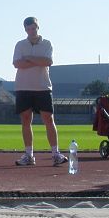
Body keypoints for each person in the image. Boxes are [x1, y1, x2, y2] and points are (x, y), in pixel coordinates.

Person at [12, 16, 68, 167]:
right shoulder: (20, 45)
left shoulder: (46, 44)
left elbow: (48, 61)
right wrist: (37, 61)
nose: (32, 31)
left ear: (38, 27)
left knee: (48, 119)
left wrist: (29, 58)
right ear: (25, 29)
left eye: (34, 28)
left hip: (42, 87)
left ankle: (55, 153)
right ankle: (29, 155)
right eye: (29, 29)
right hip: (23, 87)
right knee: (25, 120)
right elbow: (17, 63)